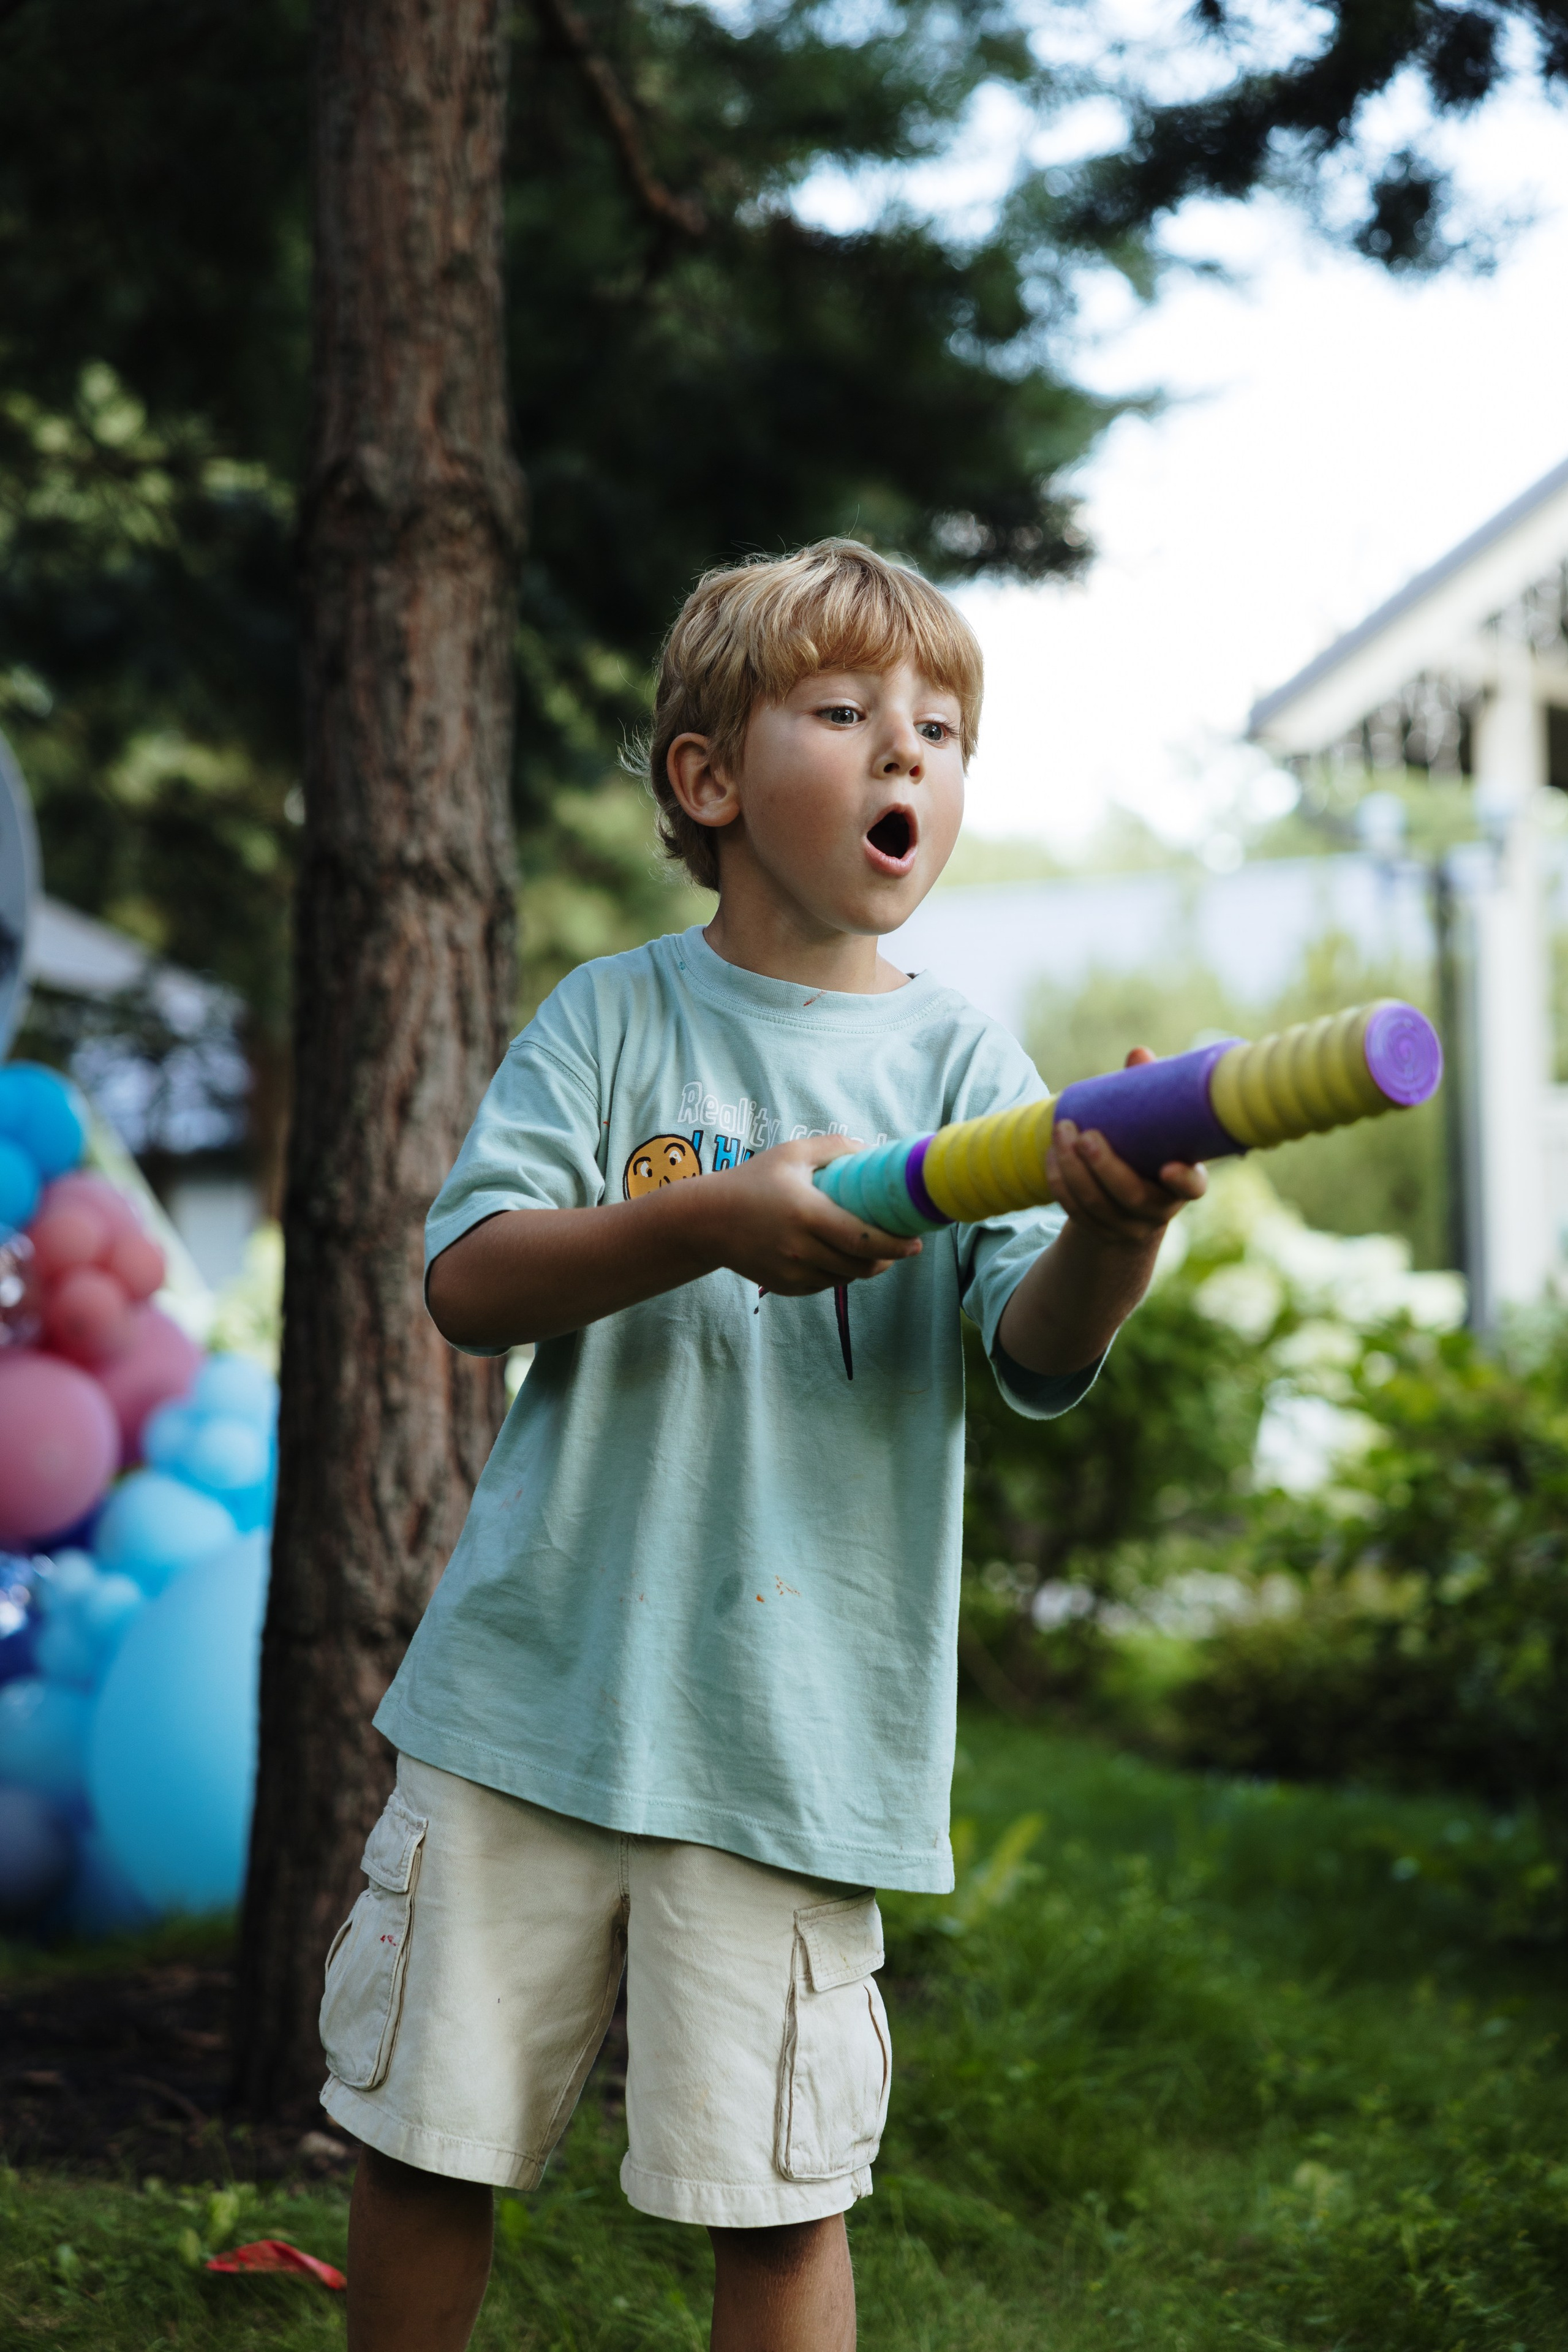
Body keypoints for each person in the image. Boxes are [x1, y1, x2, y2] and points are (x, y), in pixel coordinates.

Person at [321, 540, 1204, 2351]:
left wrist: (1115, 1233)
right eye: (846, 712)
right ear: (709, 782)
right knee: (428, 2147)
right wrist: (708, 1220)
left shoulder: (972, 1069)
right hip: (531, 1704)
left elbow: (1029, 1357)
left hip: (794, 1740)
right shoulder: (612, 1019)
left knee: (781, 2203)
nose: (907, 755)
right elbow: (472, 1285)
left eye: (941, 730)